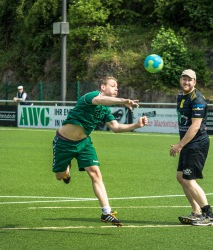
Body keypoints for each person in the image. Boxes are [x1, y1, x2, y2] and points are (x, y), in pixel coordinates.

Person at [52, 76, 148, 227]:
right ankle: (67, 170)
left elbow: (116, 128)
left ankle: (106, 213)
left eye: (117, 86)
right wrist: (123, 100)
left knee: (96, 173)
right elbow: (99, 100)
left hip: (84, 143)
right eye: (113, 85)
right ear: (103, 87)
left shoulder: (105, 110)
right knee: (59, 175)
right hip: (64, 143)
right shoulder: (90, 97)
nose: (116, 88)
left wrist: (136, 125)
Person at [169, 69, 213, 226]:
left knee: (189, 180)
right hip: (188, 143)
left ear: (194, 82)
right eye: (184, 79)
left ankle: (209, 216)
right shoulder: (181, 96)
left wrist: (180, 145)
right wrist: (182, 144)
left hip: (196, 144)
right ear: (180, 80)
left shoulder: (197, 100)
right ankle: (196, 212)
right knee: (180, 177)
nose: (186, 82)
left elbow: (195, 126)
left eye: (189, 80)